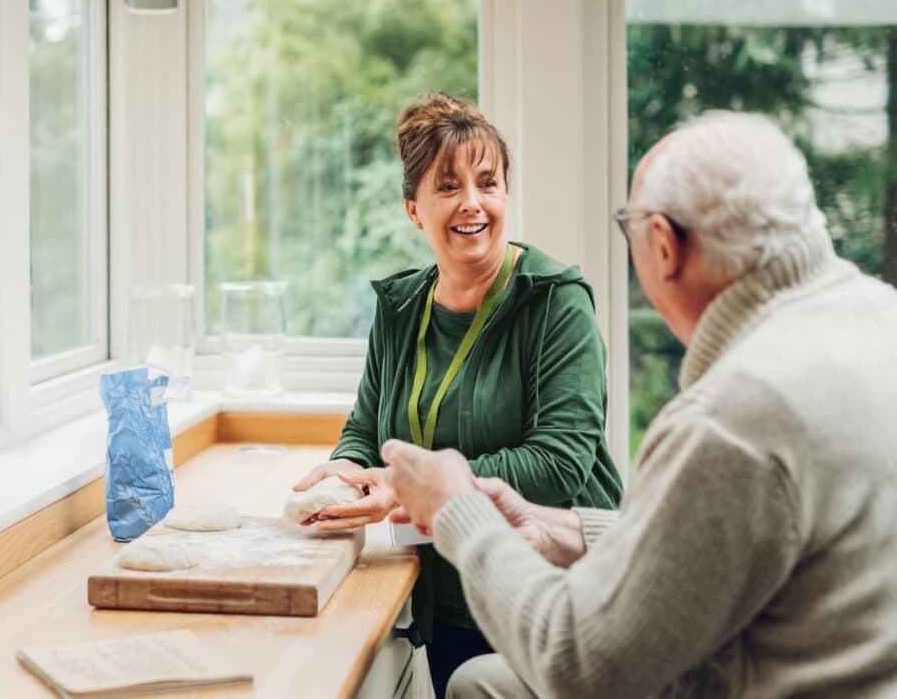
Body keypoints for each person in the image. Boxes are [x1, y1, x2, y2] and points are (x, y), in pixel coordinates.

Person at [383, 110, 897, 698]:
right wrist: (565, 530)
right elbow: (723, 542)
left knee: (478, 686)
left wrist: (458, 511)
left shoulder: (734, 419)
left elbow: (579, 663)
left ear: (662, 244)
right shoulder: (882, 319)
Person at [292, 92, 623, 698]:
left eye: (488, 182)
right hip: (443, 587)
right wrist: (347, 471)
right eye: (448, 186)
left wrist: (414, 489)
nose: (473, 203)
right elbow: (367, 427)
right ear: (414, 209)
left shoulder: (555, 301)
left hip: (550, 589)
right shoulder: (400, 307)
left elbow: (557, 467)